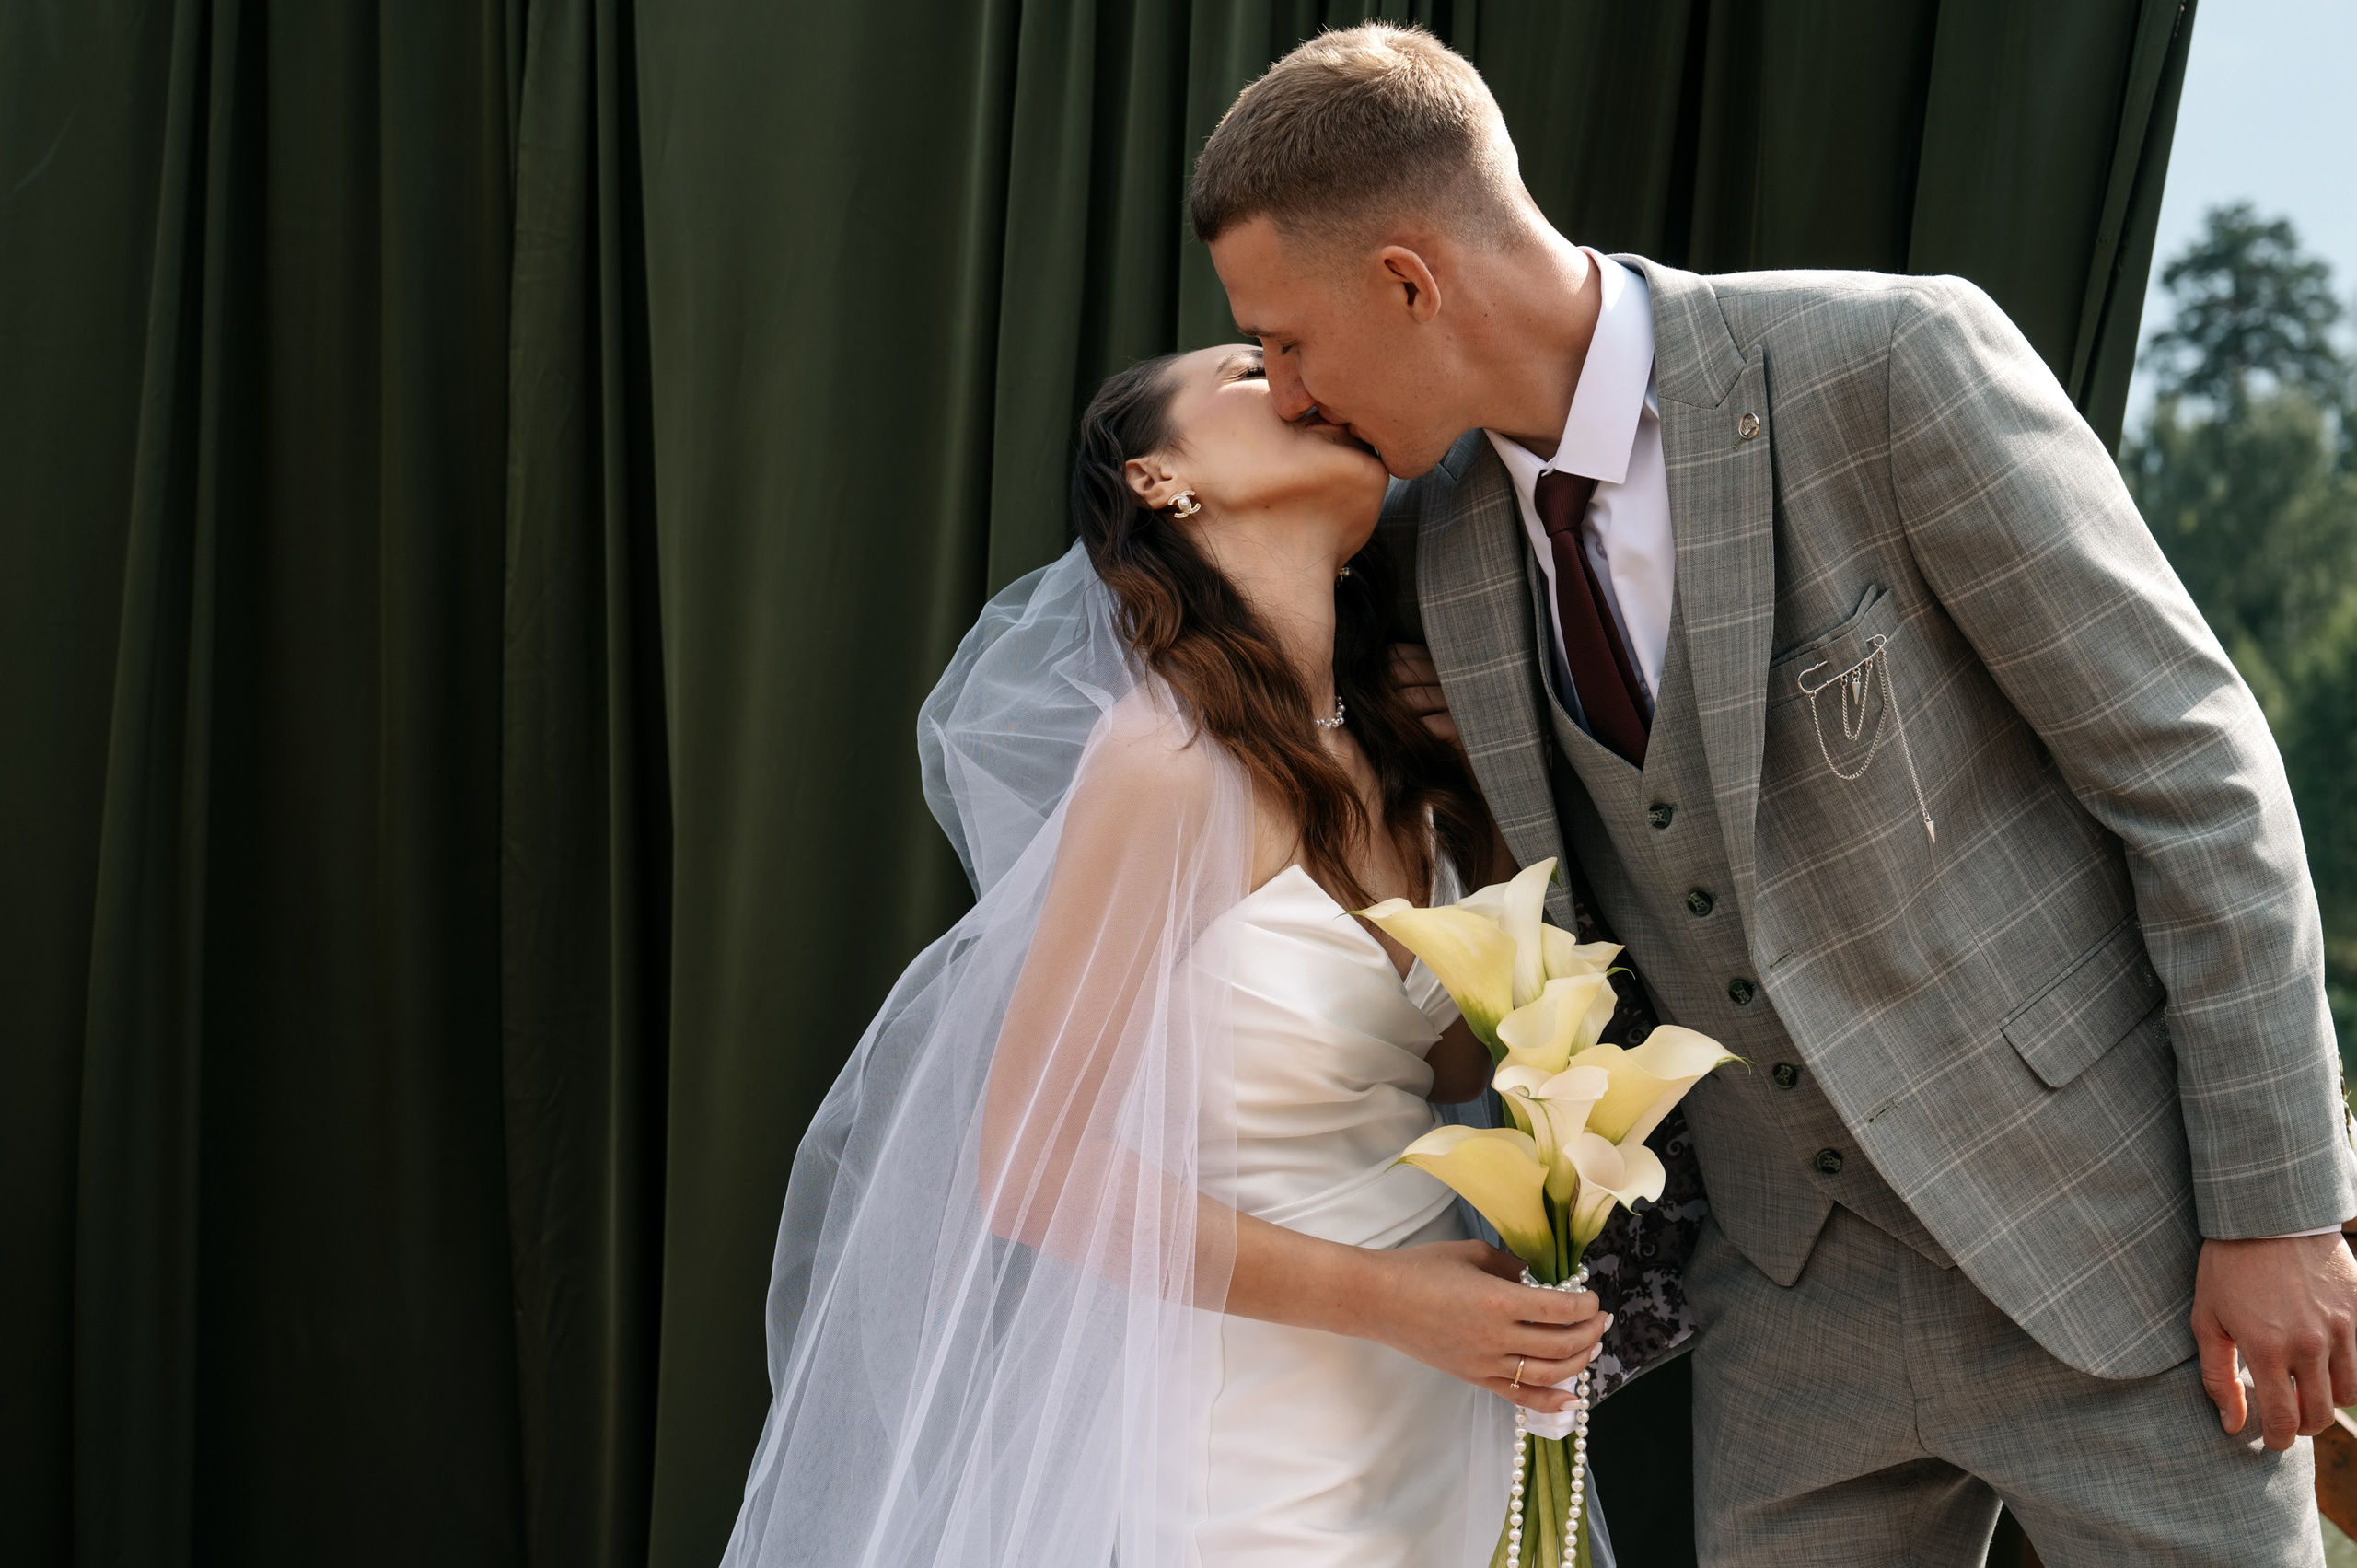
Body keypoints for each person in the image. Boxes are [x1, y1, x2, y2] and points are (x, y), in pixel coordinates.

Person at [1188, 21, 2357, 1568]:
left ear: (1410, 280)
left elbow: (2196, 778)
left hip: (2109, 1245)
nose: (1282, 390)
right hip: (1791, 1296)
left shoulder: (1886, 368)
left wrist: (2282, 1211)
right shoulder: (1436, 545)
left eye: (1287, 338)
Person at [722, 342, 1648, 1567]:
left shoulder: (1403, 755)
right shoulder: (1162, 761)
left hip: (1439, 1402)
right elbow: (1031, 1165)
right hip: (1253, 1444)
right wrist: (1392, 1304)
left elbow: (1433, 1075)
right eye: (1249, 373)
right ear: (1160, 478)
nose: (1305, 385)